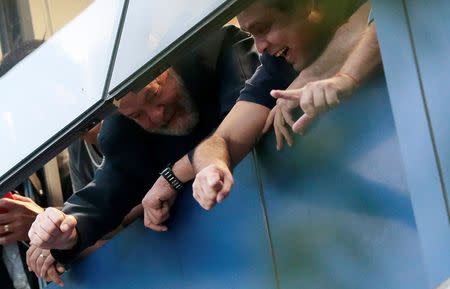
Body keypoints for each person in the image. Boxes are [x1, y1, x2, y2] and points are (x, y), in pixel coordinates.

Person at [26, 25, 272, 277]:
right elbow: (106, 192)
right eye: (137, 115)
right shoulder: (120, 133)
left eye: (155, 94)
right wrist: (65, 228)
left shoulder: (218, 49)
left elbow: (246, 119)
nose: (157, 115)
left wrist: (173, 177)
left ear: (169, 59)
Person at [189, 0, 373, 211]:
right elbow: (220, 139)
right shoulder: (275, 66)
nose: (259, 47)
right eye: (252, 35)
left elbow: (374, 15)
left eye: (263, 29)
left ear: (307, 5)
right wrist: (211, 166)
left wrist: (312, 74)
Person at [266, 10, 381, 147]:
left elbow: (381, 13)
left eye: (263, 28)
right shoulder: (272, 62)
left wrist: (345, 78)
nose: (260, 47)